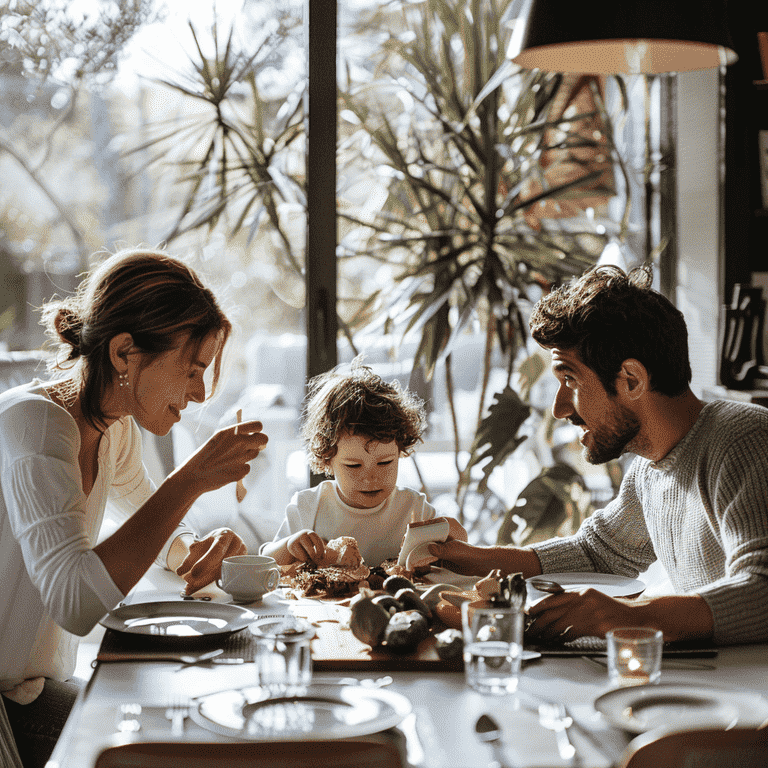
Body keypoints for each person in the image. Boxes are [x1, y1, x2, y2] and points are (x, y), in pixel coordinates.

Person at [0, 247, 268, 768]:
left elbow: (147, 513)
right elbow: (74, 601)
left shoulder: (111, 427)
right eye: (192, 370)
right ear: (125, 353)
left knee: (190, 731)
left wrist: (191, 550)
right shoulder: (32, 425)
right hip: (8, 708)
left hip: (26, 692)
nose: (198, 393)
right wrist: (190, 479)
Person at [429, 264, 768, 647]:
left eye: (569, 379)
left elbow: (762, 588)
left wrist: (629, 618)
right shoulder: (650, 467)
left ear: (631, 380)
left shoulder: (745, 440)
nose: (558, 408)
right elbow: (599, 554)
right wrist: (470, 558)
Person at [261, 360, 461, 567]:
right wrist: (288, 546)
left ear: (400, 451)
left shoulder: (413, 509)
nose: (371, 477)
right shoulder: (309, 507)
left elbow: (459, 549)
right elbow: (265, 561)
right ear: (327, 459)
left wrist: (451, 530)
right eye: (354, 466)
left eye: (384, 463)